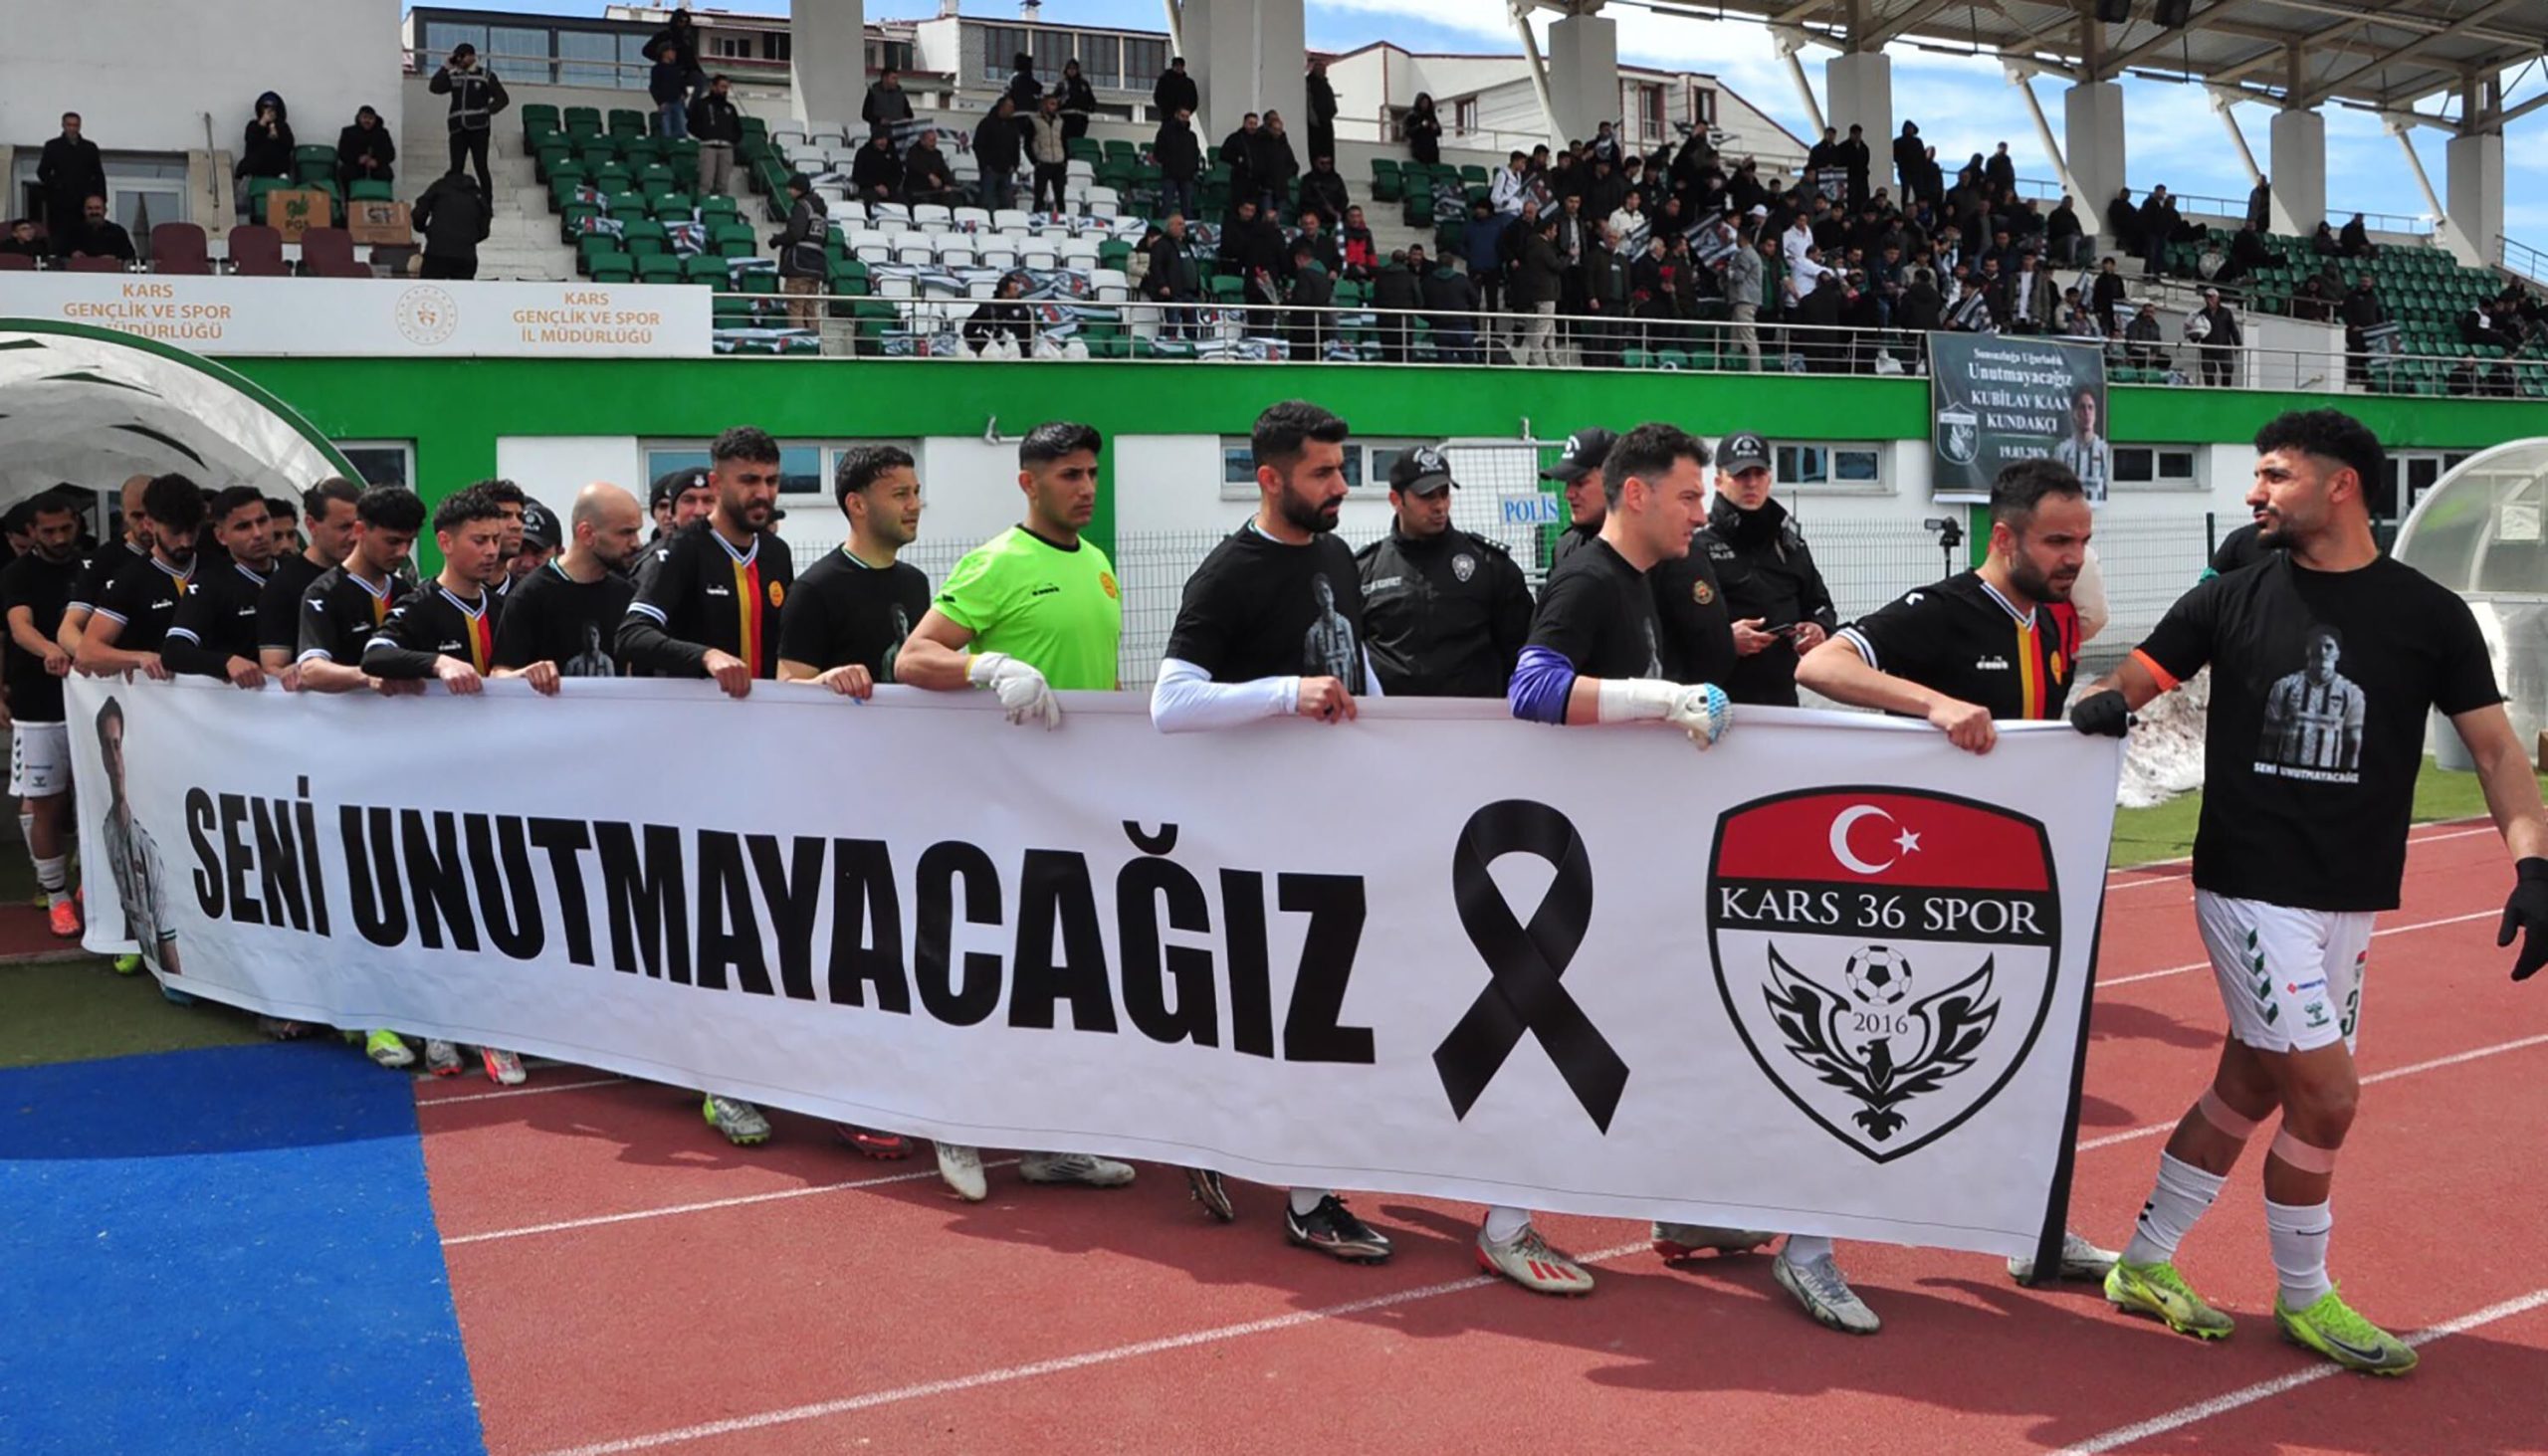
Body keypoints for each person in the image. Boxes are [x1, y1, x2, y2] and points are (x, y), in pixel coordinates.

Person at [2071, 408, 2548, 1375]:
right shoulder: (2228, 599)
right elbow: (2130, 682)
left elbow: (2497, 751)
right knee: (2326, 1098)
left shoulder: (2429, 614)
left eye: (2275, 474)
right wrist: (2100, 703)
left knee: (2250, 1083)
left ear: (2341, 485)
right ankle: (2304, 1294)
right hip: (2251, 885)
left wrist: (2534, 867)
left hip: (2349, 893)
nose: (2254, 492)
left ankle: (2145, 1263)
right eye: (2256, 475)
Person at [1147, 401, 1396, 1257]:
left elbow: (1354, 665)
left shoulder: (1335, 554)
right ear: (1269, 477)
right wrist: (1288, 694)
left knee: (1315, 1010)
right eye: (1323, 472)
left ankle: (1228, 1142)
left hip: (1335, 822)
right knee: (1300, 1013)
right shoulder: (1227, 573)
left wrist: (1400, 735)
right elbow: (1170, 701)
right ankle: (1304, 1195)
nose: (1341, 486)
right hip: (1256, 836)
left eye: (1342, 468)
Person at [892, 423, 1137, 1201]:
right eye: (1069, 474)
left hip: (1080, 804)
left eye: (1092, 472)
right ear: (1028, 483)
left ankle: (1052, 1140)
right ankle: (954, 1115)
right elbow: (913, 656)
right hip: (1001, 802)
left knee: (1067, 973)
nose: (1086, 487)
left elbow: (1102, 681)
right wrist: (987, 664)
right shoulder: (997, 561)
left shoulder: (1098, 563)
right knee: (988, 962)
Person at [616, 428, 795, 1142]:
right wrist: (705, 655)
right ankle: (718, 1075)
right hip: (689, 766)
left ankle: (743, 1055)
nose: (762, 493)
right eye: (749, 480)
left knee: (762, 913)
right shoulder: (679, 552)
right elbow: (631, 636)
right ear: (716, 483)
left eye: (772, 480)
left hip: (766, 762)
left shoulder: (777, 554)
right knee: (710, 914)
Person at [361, 485, 546, 1085]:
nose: (492, 551)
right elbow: (375, 656)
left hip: (506, 781)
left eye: (497, 539)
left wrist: (529, 673)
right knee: (441, 903)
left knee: (502, 902)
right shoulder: (419, 606)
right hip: (435, 784)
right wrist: (436, 663)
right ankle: (441, 1020)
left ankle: (498, 1026)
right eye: (479, 540)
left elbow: (517, 668)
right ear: (444, 542)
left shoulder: (512, 600)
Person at [1355, 445, 1534, 698]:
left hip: (1473, 716)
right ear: (1396, 500)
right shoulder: (1365, 570)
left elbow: (1521, 650)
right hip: (1392, 718)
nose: (1439, 505)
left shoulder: (1488, 564)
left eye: (1444, 494)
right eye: (1427, 496)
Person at [1, 491, 90, 938]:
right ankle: (56, 896)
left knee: (98, 798)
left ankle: (93, 883)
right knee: (45, 804)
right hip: (39, 705)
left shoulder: (92, 565)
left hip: (93, 701)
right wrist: (50, 649)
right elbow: (19, 628)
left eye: (65, 528)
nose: (58, 538)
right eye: (48, 531)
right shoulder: (17, 574)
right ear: (32, 531)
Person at [1697, 432, 1836, 708]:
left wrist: (1818, 628)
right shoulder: (1695, 543)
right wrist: (1725, 640)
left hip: (1781, 700)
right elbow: (1672, 626)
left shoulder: (1789, 542)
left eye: (1758, 474)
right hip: (1715, 702)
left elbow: (1820, 605)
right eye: (1741, 475)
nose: (1751, 483)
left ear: (1769, 478)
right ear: (1718, 481)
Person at [495, 482, 641, 683]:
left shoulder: (626, 594)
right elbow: (499, 673)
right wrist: (526, 675)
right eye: (626, 533)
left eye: (636, 532)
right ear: (587, 534)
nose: (636, 543)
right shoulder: (531, 595)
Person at [162, 487, 278, 692]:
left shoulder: (295, 573)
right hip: (239, 701)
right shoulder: (211, 583)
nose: (258, 534)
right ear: (221, 536)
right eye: (243, 527)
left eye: (262, 521)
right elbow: (174, 651)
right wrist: (225, 662)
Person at [261, 479, 361, 684]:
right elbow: (273, 667)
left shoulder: (375, 578)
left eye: (359, 527)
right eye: (344, 527)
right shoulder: (283, 586)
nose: (353, 537)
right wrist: (297, 672)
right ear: (311, 525)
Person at [429, 43, 508, 199]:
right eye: (457, 57)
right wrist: (445, 68)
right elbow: (434, 87)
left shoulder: (485, 75)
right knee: (456, 168)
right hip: (458, 128)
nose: (459, 60)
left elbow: (502, 98)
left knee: (481, 166)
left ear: (472, 57)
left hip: (479, 128)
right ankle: (452, 200)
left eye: (462, 57)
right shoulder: (454, 76)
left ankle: (486, 202)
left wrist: (487, 111)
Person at [1543, 428, 1616, 571]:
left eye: (1580, 483)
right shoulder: (1565, 548)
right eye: (1568, 483)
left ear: (1615, 481)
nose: (1568, 494)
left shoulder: (1652, 549)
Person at [770, 175, 828, 331]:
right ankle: (814, 342)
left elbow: (795, 234)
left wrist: (776, 240)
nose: (788, 191)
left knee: (795, 307)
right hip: (816, 266)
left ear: (799, 189)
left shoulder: (801, 207)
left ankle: (799, 342)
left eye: (791, 188)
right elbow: (825, 239)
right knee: (810, 308)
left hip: (800, 264)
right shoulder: (821, 210)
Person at [37, 112, 106, 242]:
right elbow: (42, 172)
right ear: (63, 125)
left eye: (75, 125)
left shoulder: (89, 148)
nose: (72, 129)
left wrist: (100, 199)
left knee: (85, 237)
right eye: (69, 125)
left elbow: (98, 175)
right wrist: (58, 186)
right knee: (61, 237)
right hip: (60, 204)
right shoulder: (53, 146)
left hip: (84, 202)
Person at [411, 170, 489, 281]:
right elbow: (484, 228)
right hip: (465, 254)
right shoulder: (476, 193)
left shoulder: (439, 187)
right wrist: (469, 238)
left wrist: (422, 228)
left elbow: (419, 213)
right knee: (462, 290)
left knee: (432, 288)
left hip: (437, 251)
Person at [2053, 387, 2113, 504]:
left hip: (2097, 510)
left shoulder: (2104, 450)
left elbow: (2109, 484)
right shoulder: (2062, 450)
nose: (2087, 413)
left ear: (2095, 414)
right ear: (2074, 413)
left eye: (2090, 407)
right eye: (2082, 407)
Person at [689, 76, 743, 198]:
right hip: (708, 147)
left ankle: (721, 207)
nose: (725, 90)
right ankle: (704, 206)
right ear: (713, 87)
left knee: (723, 184)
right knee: (706, 182)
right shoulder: (702, 104)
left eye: (726, 87)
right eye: (722, 86)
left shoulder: (730, 108)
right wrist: (705, 134)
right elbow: (691, 124)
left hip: (726, 148)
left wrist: (732, 139)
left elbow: (738, 128)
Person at [235, 93, 296, 198]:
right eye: (265, 107)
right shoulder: (253, 125)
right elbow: (251, 140)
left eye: (272, 108)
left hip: (277, 173)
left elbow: (289, 146)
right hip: (254, 173)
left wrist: (278, 135)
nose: (269, 112)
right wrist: (262, 124)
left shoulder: (283, 127)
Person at [972, 98, 1021, 212]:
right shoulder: (986, 123)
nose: (1012, 110)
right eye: (1010, 107)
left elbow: (1016, 146)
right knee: (987, 202)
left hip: (1007, 171)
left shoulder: (1013, 125)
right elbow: (978, 145)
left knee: (1006, 203)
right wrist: (985, 165)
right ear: (1002, 107)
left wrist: (1015, 164)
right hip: (990, 171)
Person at [1155, 106, 1201, 222]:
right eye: (1182, 116)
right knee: (1166, 207)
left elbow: (1195, 154)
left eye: (1187, 117)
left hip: (1187, 177)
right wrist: (1168, 163)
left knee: (1187, 209)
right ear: (1176, 115)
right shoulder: (1164, 133)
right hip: (1170, 175)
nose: (1185, 119)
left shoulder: (1192, 136)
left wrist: (1193, 169)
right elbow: (1158, 152)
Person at [59, 195, 135, 263]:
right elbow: (58, 255)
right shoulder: (72, 232)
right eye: (89, 208)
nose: (94, 212)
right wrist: (72, 254)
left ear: (105, 210)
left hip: (109, 273)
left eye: (97, 208)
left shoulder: (118, 232)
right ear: (84, 211)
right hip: (79, 273)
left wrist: (115, 259)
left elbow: (130, 257)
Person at [336, 105, 396, 192]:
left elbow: (390, 154)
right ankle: (350, 199)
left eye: (371, 118)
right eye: (364, 117)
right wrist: (358, 159)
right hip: (355, 166)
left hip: (376, 167)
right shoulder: (348, 132)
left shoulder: (382, 133)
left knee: (386, 173)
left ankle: (380, 198)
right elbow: (342, 152)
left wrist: (377, 162)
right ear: (359, 118)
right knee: (346, 172)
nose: (367, 121)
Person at [1026, 96, 1070, 213]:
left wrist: (1065, 161)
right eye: (1051, 103)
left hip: (1058, 163)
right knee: (1039, 196)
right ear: (1044, 105)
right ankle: (1037, 217)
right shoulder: (1033, 120)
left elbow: (1064, 142)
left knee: (1060, 196)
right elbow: (1028, 143)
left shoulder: (1060, 121)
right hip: (1043, 162)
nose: (1054, 107)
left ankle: (1061, 218)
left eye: (1055, 104)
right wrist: (1035, 161)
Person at [2193, 287, 2242, 387]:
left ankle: (2226, 391)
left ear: (2217, 298)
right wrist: (2194, 337)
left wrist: (2238, 343)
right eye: (2207, 297)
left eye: (2211, 297)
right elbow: (2196, 332)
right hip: (2207, 349)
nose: (2209, 300)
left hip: (2224, 347)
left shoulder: (2226, 312)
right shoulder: (2201, 314)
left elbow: (2233, 329)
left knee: (2228, 369)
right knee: (2208, 372)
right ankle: (2210, 393)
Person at [648, 43, 693, 140]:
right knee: (667, 133)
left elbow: (682, 84)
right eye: (672, 51)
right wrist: (660, 102)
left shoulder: (677, 69)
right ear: (664, 53)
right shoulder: (657, 69)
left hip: (678, 102)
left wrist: (684, 94)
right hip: (666, 104)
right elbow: (653, 87)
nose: (674, 53)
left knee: (682, 131)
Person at [850, 129, 903, 204]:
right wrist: (875, 186)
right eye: (880, 139)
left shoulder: (892, 152)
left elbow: (898, 174)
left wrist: (888, 187)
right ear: (874, 140)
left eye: (885, 139)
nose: (883, 142)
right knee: (871, 199)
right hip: (869, 189)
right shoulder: (863, 152)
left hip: (889, 189)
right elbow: (857, 176)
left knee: (903, 202)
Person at [862, 69, 915, 134]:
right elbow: (866, 114)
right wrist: (880, 120)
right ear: (884, 78)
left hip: (900, 132)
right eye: (893, 78)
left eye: (897, 78)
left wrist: (905, 120)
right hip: (880, 133)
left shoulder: (900, 94)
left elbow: (909, 114)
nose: (896, 81)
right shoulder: (873, 93)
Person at [1306, 59, 1339, 164]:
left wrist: (1329, 115)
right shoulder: (1308, 84)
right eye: (1320, 69)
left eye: (1324, 70)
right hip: (1315, 128)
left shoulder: (1326, 85)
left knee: (1328, 156)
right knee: (1317, 156)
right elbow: (1309, 104)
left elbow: (1333, 106)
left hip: (1326, 125)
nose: (1323, 72)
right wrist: (1315, 121)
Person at [1057, 59, 1097, 142]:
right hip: (1066, 117)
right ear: (1066, 70)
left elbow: (1091, 99)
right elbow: (1055, 98)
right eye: (1069, 68)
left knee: (1078, 141)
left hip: (1081, 118)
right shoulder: (1063, 84)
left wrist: (1091, 107)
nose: (1072, 71)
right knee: (1066, 140)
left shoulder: (1084, 84)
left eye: (1074, 68)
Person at [1155, 57, 1199, 122]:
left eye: (1181, 66)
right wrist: (1167, 111)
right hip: (1168, 117)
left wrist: (1187, 112)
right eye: (1177, 66)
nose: (1179, 68)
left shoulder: (1189, 83)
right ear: (1173, 66)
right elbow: (1158, 98)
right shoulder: (1164, 81)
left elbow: (1193, 100)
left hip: (1183, 117)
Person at [1404, 94, 1442, 166]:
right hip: (1419, 149)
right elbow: (1408, 132)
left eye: (1427, 103)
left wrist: (1435, 128)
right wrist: (1421, 126)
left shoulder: (1431, 116)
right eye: (1423, 102)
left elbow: (1439, 132)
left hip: (1432, 150)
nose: (1425, 105)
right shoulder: (1412, 116)